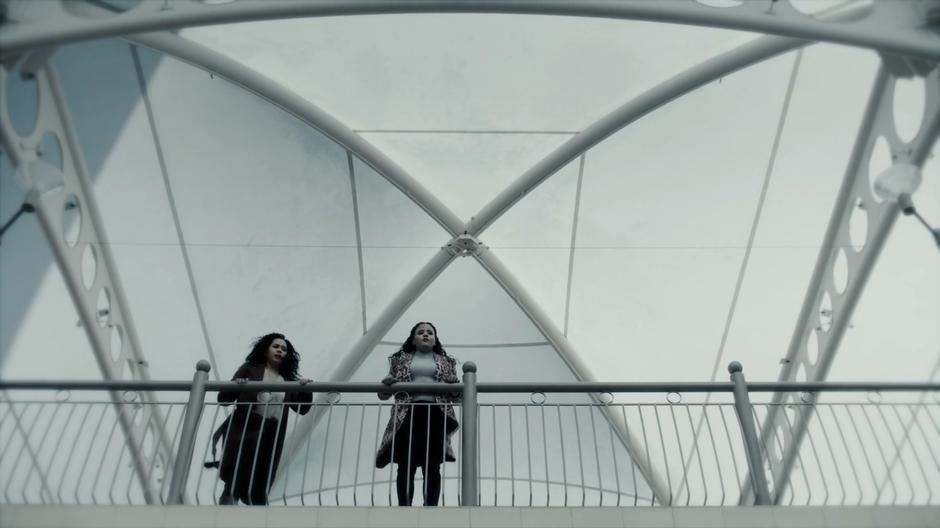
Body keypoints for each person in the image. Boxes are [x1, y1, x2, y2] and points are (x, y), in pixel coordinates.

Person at [214, 333, 312, 505]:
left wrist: (305, 388)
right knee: (236, 477)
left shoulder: (287, 380)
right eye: (276, 347)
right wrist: (238, 383)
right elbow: (223, 398)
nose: (280, 351)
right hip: (246, 430)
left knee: (261, 478)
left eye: (284, 349)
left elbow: (302, 409)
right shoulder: (251, 368)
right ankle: (226, 509)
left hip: (270, 435)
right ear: (265, 350)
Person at [375, 322, 460, 506]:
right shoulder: (399, 360)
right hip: (407, 413)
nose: (425, 335)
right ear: (413, 340)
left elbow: (457, 396)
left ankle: (431, 506)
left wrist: (454, 384)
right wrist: (387, 383)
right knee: (406, 463)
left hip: (436, 413)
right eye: (420, 332)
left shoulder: (447, 362)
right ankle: (404, 506)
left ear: (435, 339)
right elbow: (383, 394)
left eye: (430, 332)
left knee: (433, 463)